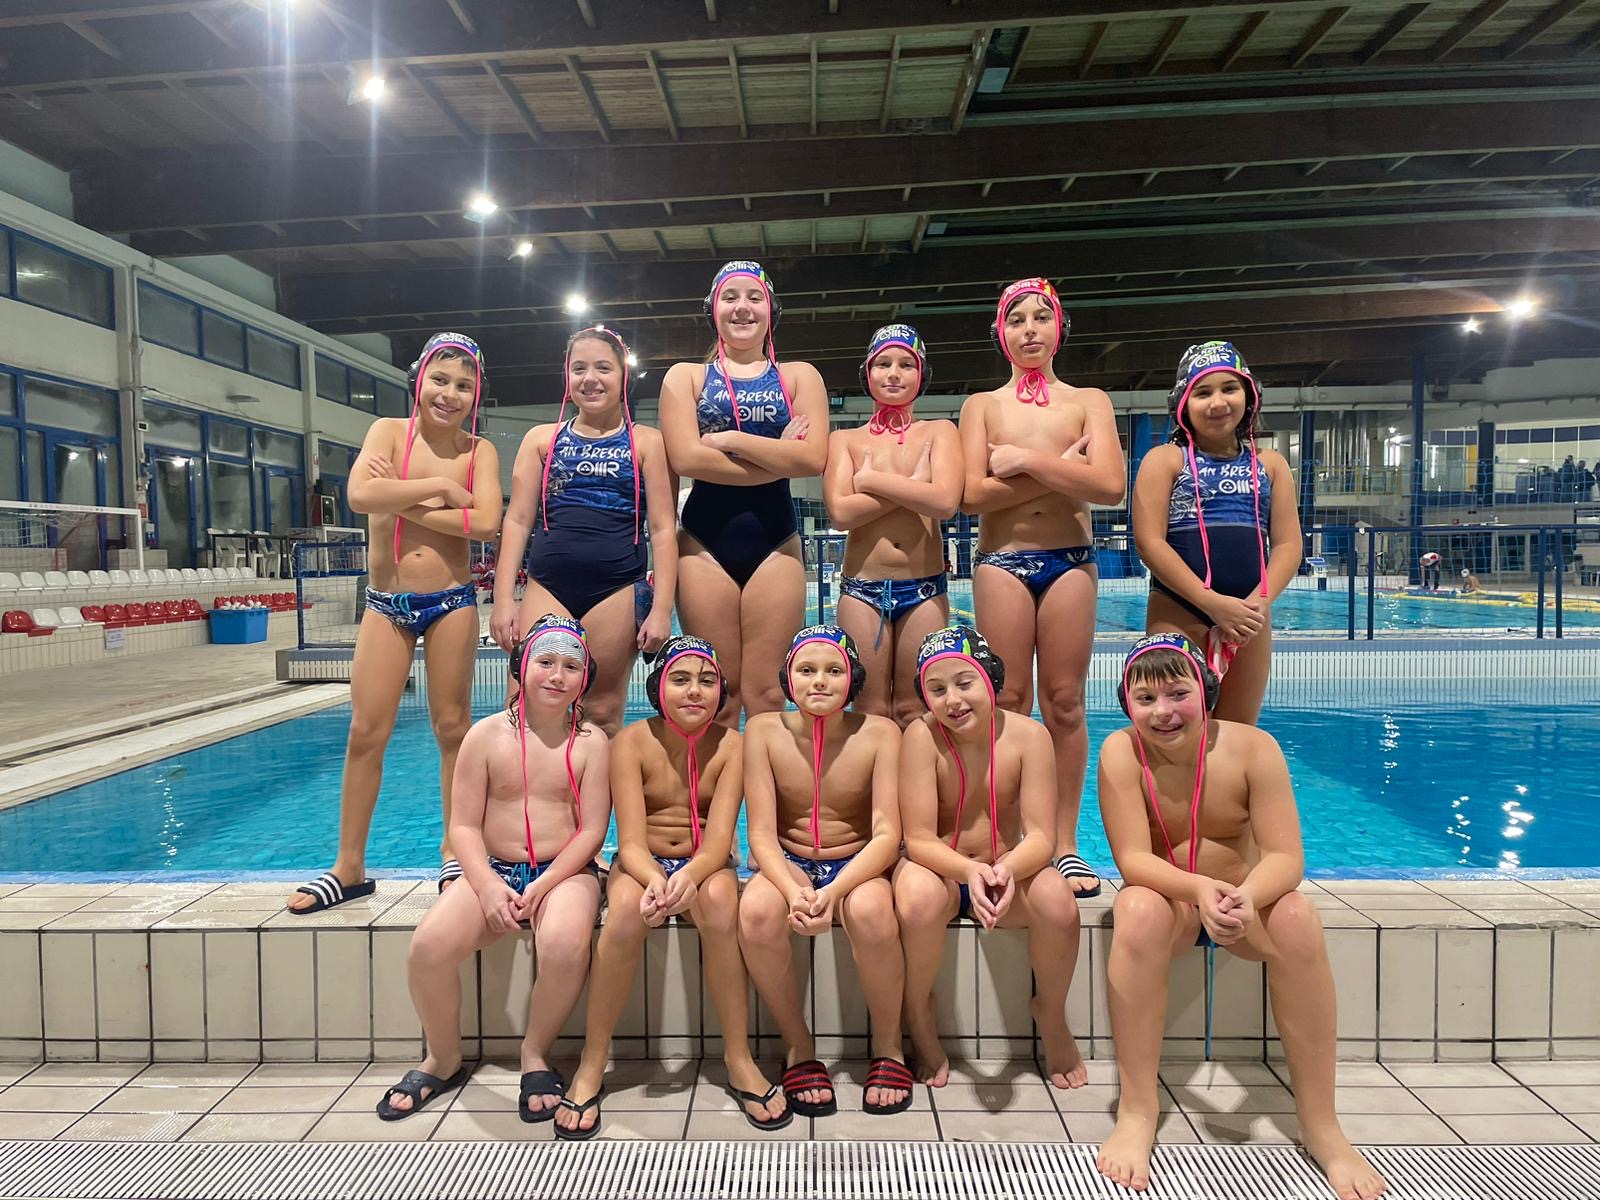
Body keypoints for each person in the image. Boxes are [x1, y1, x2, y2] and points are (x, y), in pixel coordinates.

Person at [1095, 635, 1385, 1200]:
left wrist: (1246, 897)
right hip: (1176, 904)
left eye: (1178, 693)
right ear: (1127, 703)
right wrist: (1199, 889)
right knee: (1134, 908)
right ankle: (1137, 1111)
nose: (1162, 712)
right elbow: (1132, 860)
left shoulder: (1253, 749)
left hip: (1243, 903)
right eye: (1145, 698)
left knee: (1297, 916)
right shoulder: (1120, 752)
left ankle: (1321, 1124)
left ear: (1206, 691)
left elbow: (1286, 857)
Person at [289, 333, 502, 912]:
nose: (450, 394)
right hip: (386, 605)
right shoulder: (386, 432)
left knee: (453, 730)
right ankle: (349, 867)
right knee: (366, 732)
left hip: (452, 601)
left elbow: (486, 524)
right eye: (440, 380)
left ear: (477, 393)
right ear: (418, 381)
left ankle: (455, 852)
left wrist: (397, 496)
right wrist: (440, 489)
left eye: (464, 385)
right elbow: (360, 495)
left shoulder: (479, 451)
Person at [553, 635, 789, 1139]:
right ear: (658, 687)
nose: (694, 691)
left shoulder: (733, 745)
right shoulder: (631, 743)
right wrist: (658, 880)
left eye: (707, 681)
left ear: (721, 691)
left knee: (721, 907)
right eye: (680, 679)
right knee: (624, 915)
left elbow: (720, 838)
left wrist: (691, 875)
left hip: (705, 863)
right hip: (643, 864)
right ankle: (593, 1060)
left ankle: (739, 1056)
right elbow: (630, 840)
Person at [376, 615, 609, 1123]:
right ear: (520, 666)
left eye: (571, 666)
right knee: (428, 949)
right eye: (545, 662)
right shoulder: (483, 737)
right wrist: (484, 885)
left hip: (565, 872)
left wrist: (546, 883)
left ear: (586, 677)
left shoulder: (591, 742)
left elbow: (593, 832)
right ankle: (442, 1057)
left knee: (564, 945)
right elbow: (462, 826)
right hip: (494, 868)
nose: (557, 675)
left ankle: (535, 1052)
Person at [960, 278, 1125, 900]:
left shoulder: (1089, 401)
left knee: (1065, 703)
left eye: (1041, 317)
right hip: (1001, 560)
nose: (1029, 329)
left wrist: (1026, 462)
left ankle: (1063, 843)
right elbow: (970, 496)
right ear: (999, 333)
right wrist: (1064, 470)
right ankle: (1008, 837)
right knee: (1006, 700)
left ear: (1061, 328)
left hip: (1070, 561)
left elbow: (1109, 487)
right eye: (1016, 319)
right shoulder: (981, 406)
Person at [893, 626, 1087, 1089]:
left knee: (1058, 902)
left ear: (991, 680)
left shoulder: (1029, 737)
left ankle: (1051, 1011)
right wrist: (969, 870)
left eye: (965, 683)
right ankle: (918, 1010)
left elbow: (1042, 836)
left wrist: (1006, 870)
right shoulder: (921, 737)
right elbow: (917, 838)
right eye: (936, 690)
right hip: (941, 871)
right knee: (916, 897)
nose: (953, 700)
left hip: (1005, 871)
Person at [738, 625, 910, 1116]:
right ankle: (798, 1045)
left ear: (853, 679)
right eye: (806, 670)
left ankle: (889, 1045)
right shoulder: (763, 731)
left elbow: (886, 833)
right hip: (789, 860)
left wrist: (834, 892)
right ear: (787, 678)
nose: (819, 681)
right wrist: (794, 890)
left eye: (834, 670)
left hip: (857, 861)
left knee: (873, 912)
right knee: (755, 913)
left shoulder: (880, 733)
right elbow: (761, 835)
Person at [659, 261, 829, 722]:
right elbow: (687, 459)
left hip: (776, 542)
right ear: (712, 309)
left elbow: (813, 459)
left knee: (769, 694)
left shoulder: (799, 376)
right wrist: (779, 455)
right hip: (702, 545)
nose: (742, 307)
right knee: (717, 696)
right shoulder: (685, 377)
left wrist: (730, 440)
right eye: (729, 297)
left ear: (771, 310)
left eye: (754, 297)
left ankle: (765, 776)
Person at [491, 325, 676, 735]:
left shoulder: (647, 442)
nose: (590, 378)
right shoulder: (541, 440)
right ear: (567, 376)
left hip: (616, 590)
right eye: (579, 368)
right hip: (548, 586)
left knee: (602, 712)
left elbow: (663, 529)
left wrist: (662, 609)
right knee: (521, 705)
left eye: (603, 368)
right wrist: (503, 600)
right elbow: (517, 521)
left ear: (624, 376)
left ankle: (592, 783)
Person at [1132, 341, 1301, 725]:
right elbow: (1150, 543)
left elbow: (1289, 545)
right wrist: (1211, 603)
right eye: (1203, 392)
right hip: (1180, 607)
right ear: (1183, 403)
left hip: (1249, 612)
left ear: (1249, 394)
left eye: (1229, 388)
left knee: (1239, 730)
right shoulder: (1165, 460)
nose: (1218, 402)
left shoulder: (1271, 465)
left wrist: (1258, 604)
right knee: (1175, 726)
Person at [823, 324, 962, 725]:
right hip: (862, 590)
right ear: (867, 373)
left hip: (924, 588)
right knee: (869, 709)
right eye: (883, 364)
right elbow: (841, 513)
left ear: (922, 374)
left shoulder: (940, 431)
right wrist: (915, 485)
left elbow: (945, 503)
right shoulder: (844, 439)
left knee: (914, 708)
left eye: (906, 364)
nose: (894, 374)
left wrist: (870, 481)